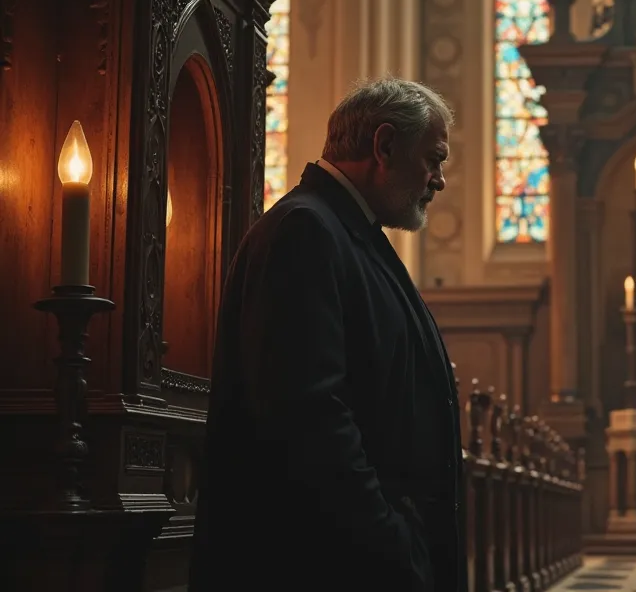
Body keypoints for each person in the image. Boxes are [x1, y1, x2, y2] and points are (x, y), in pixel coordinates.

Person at [189, 78, 464, 591]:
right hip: (331, 563)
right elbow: (309, 416)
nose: (439, 179)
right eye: (433, 159)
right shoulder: (307, 230)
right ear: (383, 146)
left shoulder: (347, 231)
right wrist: (392, 542)